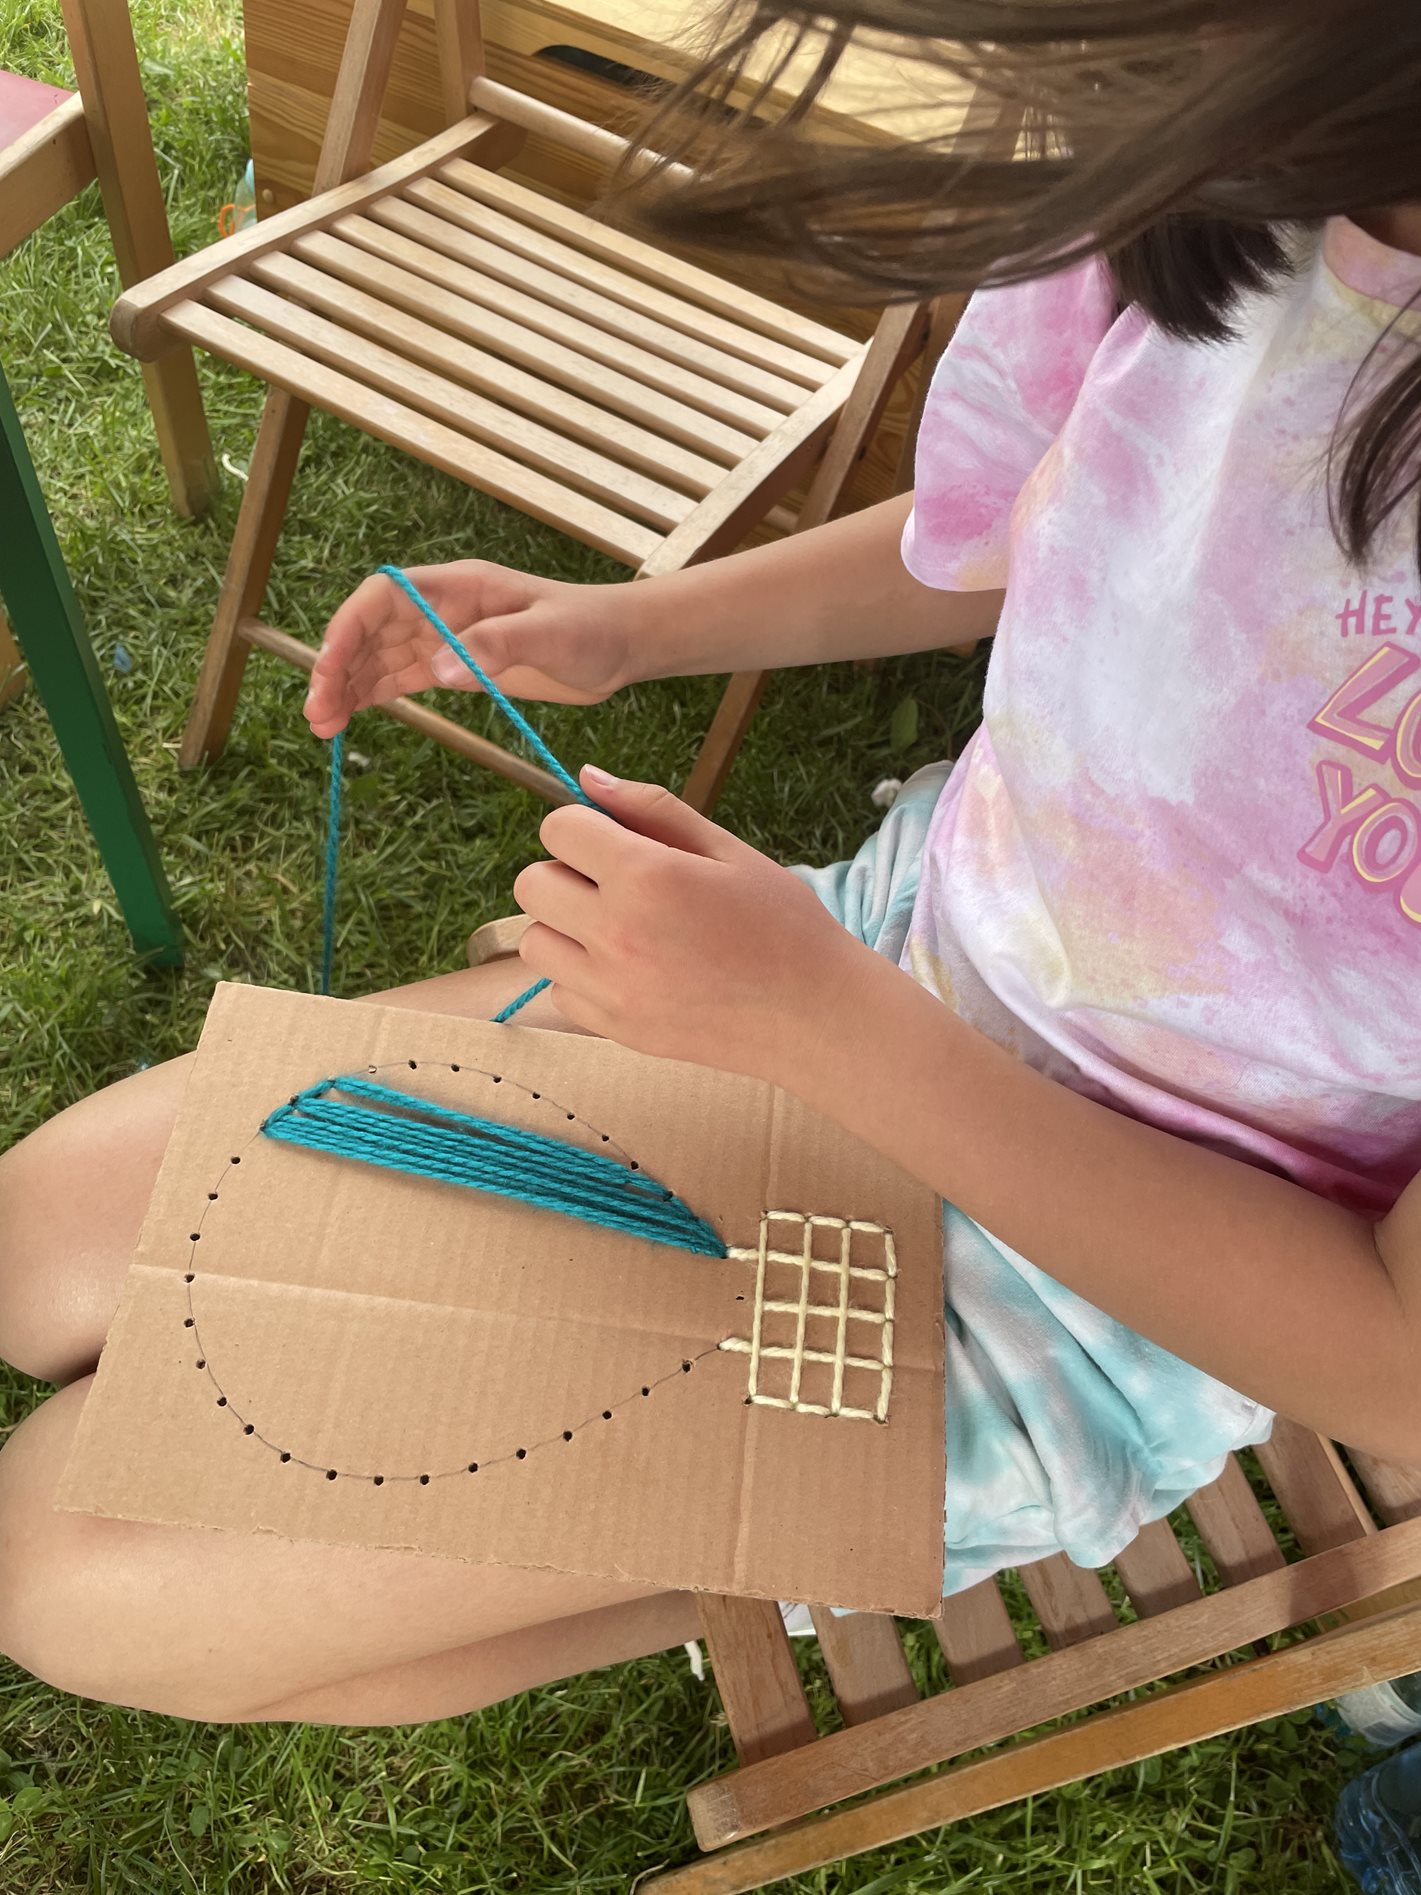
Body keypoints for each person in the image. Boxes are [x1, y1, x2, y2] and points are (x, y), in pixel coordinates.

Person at [0, 0, 1418, 1725]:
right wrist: (629, 629)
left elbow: (1391, 1370)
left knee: (69, 1574)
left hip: (1085, 1304)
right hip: (898, 949)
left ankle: (730, 1560)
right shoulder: (1217, 160)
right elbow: (1022, 527)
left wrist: (816, 1031)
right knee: (39, 1250)